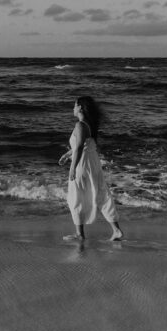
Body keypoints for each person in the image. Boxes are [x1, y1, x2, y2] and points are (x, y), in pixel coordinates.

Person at [58, 96, 123, 242]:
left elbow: (80, 146)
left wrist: (72, 168)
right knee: (101, 194)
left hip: (83, 164)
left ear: (80, 107)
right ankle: (116, 230)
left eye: (74, 105)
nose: (73, 108)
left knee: (76, 196)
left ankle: (80, 234)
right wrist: (67, 154)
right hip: (93, 163)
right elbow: (85, 145)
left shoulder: (80, 125)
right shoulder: (89, 124)